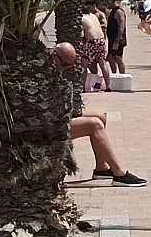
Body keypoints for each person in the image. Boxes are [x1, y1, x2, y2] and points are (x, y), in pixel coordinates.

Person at [52, 42, 145, 185]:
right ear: (55, 56)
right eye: (65, 64)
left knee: (100, 116)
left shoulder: (55, 71)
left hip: (58, 116)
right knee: (94, 125)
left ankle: (101, 168)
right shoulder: (42, 73)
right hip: (46, 124)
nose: (66, 69)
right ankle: (119, 173)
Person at [78, 2, 111, 91]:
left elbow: (82, 34)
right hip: (101, 41)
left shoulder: (82, 18)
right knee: (103, 64)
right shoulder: (94, 16)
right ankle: (108, 86)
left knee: (84, 64)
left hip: (91, 42)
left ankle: (83, 88)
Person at [106, 0, 129, 74]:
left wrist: (117, 41)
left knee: (118, 58)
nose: (107, 4)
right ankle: (114, 75)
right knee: (110, 57)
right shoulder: (112, 11)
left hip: (117, 39)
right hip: (112, 39)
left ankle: (122, 76)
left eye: (108, 1)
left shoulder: (119, 12)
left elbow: (121, 26)